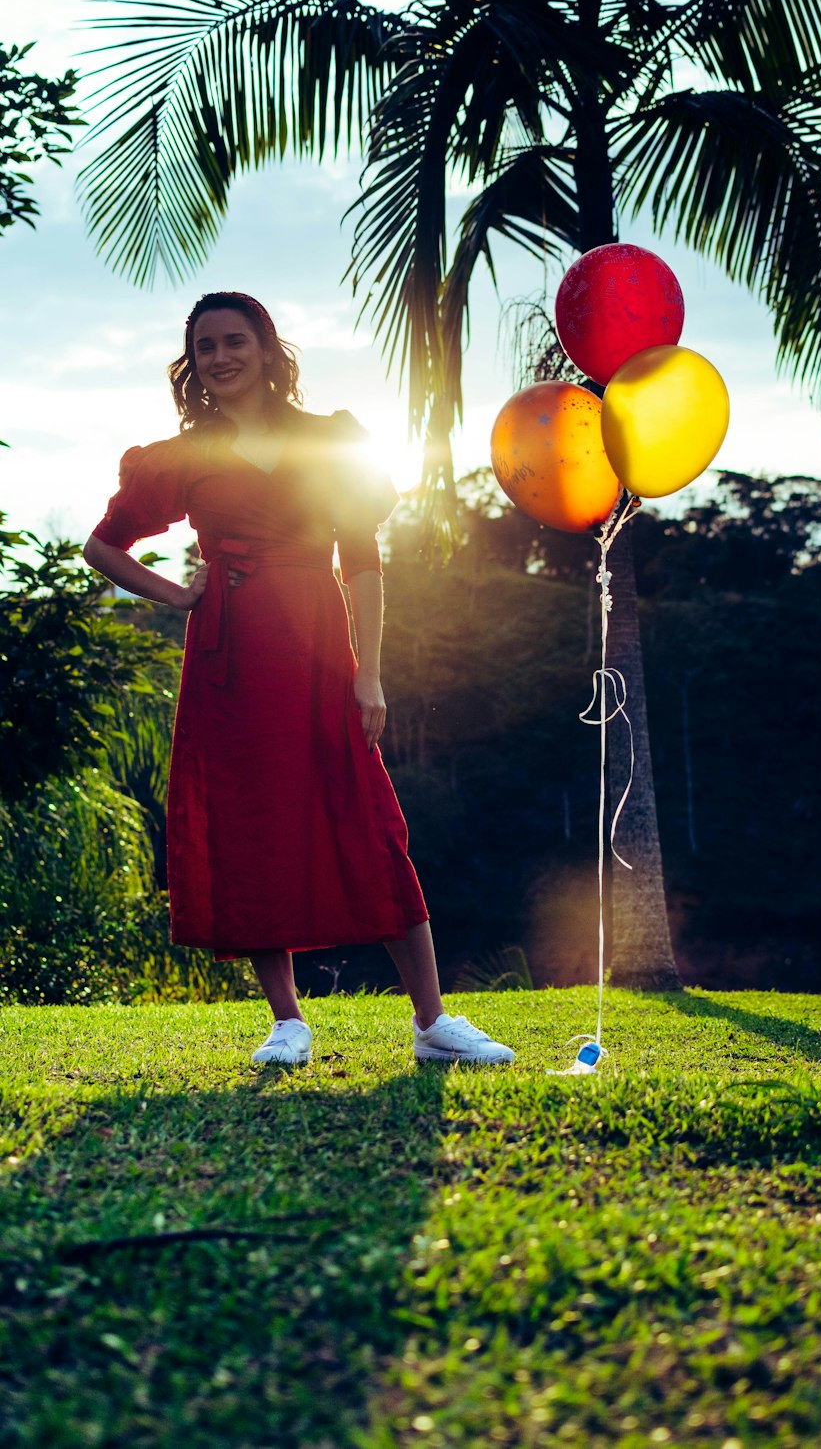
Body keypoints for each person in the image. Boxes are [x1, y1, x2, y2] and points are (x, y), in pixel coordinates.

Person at [84, 291, 514, 1068]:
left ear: (268, 348)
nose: (220, 356)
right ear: (193, 362)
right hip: (230, 662)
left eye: (234, 340)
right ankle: (287, 1022)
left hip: (320, 652)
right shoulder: (181, 458)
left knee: (371, 822)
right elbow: (103, 546)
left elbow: (365, 561)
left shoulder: (331, 440)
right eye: (205, 345)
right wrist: (178, 594)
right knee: (251, 829)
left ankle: (432, 1023)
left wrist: (371, 674)